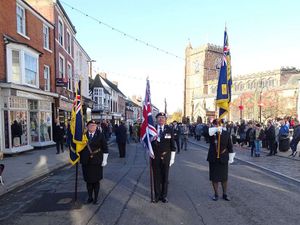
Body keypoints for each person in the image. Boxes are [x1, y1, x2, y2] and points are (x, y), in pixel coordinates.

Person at [79, 120, 109, 204]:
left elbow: (105, 148)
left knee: (96, 181)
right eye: (91, 125)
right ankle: (90, 197)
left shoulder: (100, 135)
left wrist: (105, 160)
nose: (93, 127)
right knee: (88, 181)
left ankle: (96, 198)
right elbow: (78, 147)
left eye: (94, 125)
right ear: (87, 127)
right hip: (86, 162)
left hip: (96, 161)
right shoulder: (83, 135)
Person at [151, 112, 176, 203]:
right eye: (159, 118)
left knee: (165, 177)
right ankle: (157, 196)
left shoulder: (169, 129)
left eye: (163, 117)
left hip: (166, 157)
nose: (161, 119)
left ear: (165, 120)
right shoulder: (152, 129)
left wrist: (172, 158)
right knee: (156, 177)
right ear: (156, 119)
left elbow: (172, 145)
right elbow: (148, 143)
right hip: (155, 156)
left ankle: (164, 196)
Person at [207, 119, 234, 201]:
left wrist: (231, 158)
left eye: (220, 124)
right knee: (214, 177)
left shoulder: (226, 133)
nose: (218, 125)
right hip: (213, 157)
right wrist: (215, 130)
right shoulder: (211, 133)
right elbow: (205, 134)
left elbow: (230, 146)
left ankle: (225, 194)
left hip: (223, 157)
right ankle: (216, 194)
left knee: (224, 178)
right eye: (216, 124)